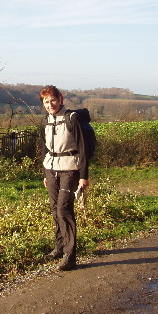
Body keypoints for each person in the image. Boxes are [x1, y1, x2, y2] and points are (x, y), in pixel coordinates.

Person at [39, 85, 89, 271]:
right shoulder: (45, 120)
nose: (50, 104)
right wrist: (45, 173)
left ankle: (70, 254)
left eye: (52, 100)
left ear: (60, 99)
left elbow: (83, 148)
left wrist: (84, 176)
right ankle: (59, 247)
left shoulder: (72, 118)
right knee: (54, 209)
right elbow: (44, 148)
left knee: (64, 209)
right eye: (46, 101)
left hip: (70, 168)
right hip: (51, 169)